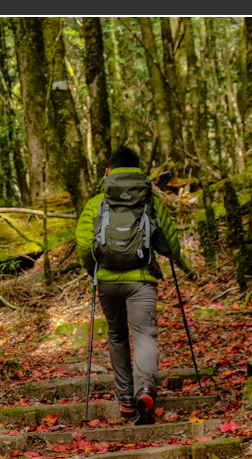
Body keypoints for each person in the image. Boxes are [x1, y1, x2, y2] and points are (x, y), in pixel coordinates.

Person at [75, 146, 181, 425]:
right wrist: (172, 255)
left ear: (108, 171)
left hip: (107, 280)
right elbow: (171, 242)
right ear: (138, 170)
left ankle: (124, 397)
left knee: (117, 334)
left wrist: (93, 270)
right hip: (141, 280)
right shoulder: (149, 201)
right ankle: (144, 389)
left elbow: (84, 245)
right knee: (145, 334)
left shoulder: (97, 203)